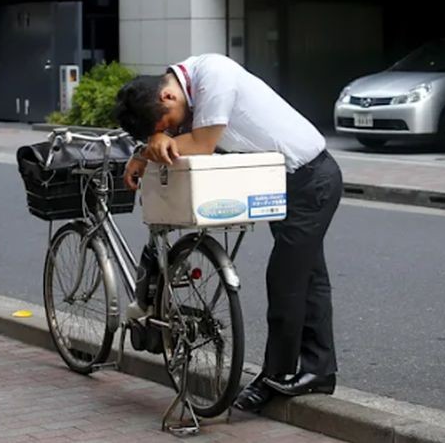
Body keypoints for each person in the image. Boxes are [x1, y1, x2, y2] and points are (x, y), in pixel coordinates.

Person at [113, 53, 342, 412]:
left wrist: (146, 151)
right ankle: (318, 371)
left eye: (167, 124)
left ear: (167, 98)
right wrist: (149, 147)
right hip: (283, 181)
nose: (172, 132)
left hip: (311, 180)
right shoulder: (188, 84)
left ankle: (277, 377)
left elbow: (202, 146)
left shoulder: (213, 76)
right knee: (309, 278)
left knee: (286, 280)